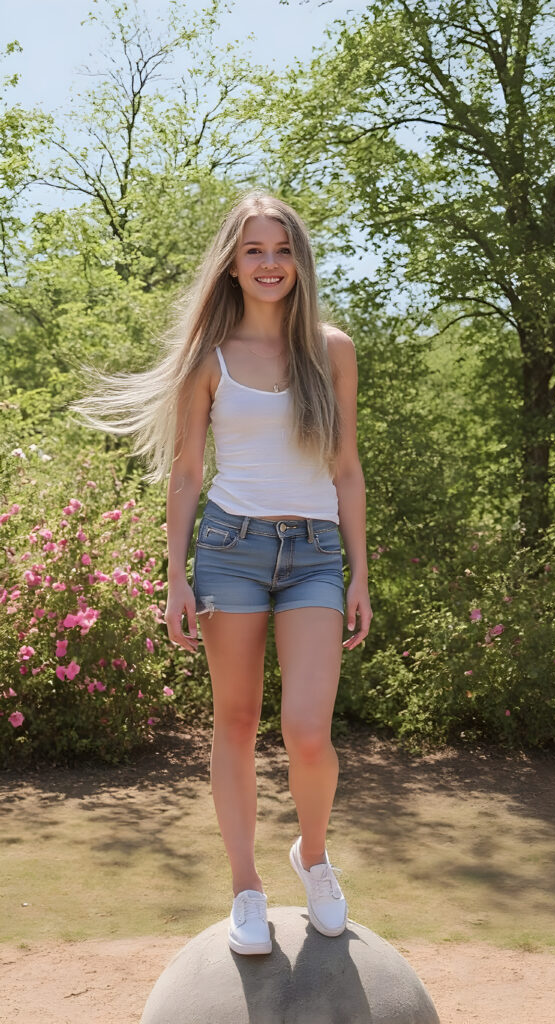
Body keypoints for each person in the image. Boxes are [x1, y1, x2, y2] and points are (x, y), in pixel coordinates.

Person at [74, 191, 372, 955]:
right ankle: (246, 886)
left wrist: (358, 575)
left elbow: (346, 472)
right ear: (233, 266)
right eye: (254, 251)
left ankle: (313, 854)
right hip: (229, 549)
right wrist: (174, 576)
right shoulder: (207, 360)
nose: (269, 264)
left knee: (307, 730)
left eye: (281, 251)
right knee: (234, 723)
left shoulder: (332, 350)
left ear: (298, 263)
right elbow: (184, 472)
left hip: (312, 555)